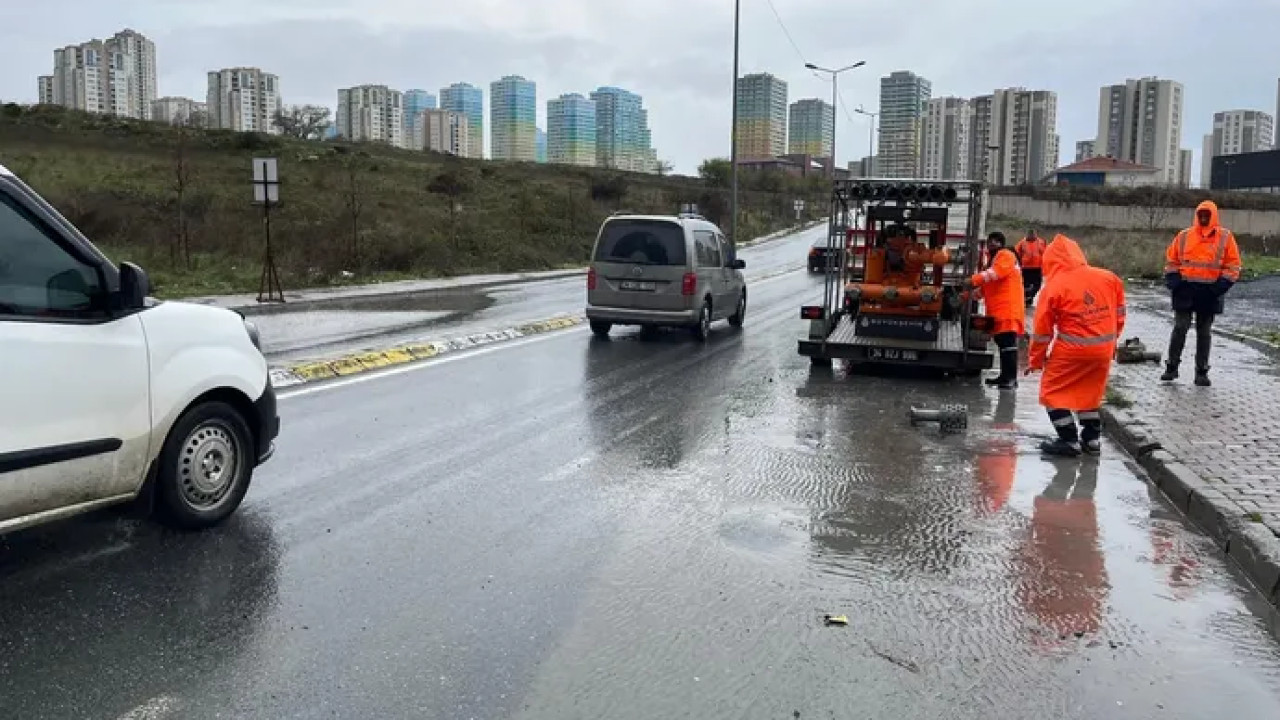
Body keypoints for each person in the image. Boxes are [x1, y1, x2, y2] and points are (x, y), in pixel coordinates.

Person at [1026, 235, 1126, 457]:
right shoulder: (1109, 278)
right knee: (1089, 393)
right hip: (1103, 349)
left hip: (1071, 350)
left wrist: (1036, 360)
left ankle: (1068, 440)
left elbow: (1042, 331)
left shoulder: (1054, 286)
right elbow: (1119, 315)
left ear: (1050, 261)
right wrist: (1111, 342)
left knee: (1051, 392)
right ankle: (1092, 440)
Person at [1160, 200, 1242, 387]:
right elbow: (1172, 261)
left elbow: (1233, 266)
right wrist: (1175, 282)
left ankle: (1201, 372)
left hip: (1210, 292)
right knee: (1180, 327)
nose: (1204, 217)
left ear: (1213, 216)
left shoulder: (1225, 237)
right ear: (1197, 215)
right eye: (1201, 214)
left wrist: (1218, 288)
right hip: (1185, 290)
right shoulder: (1184, 236)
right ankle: (1171, 367)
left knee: (1204, 332)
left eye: (1207, 214)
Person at [965, 231, 1025, 389]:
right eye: (990, 240)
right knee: (1003, 343)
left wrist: (973, 280)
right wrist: (965, 296)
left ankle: (1010, 379)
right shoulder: (993, 262)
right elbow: (985, 289)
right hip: (999, 311)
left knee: (1008, 344)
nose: (992, 243)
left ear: (1002, 244)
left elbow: (995, 274)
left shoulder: (1005, 256)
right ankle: (1005, 377)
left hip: (1008, 309)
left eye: (996, 241)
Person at [1015, 229, 1047, 305]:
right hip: (1025, 268)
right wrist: (1018, 264)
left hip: (1037, 268)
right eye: (1030, 234)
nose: (1032, 236)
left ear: (1036, 234)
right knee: (1025, 285)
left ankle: (1030, 296)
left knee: (1037, 286)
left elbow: (1046, 253)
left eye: (1033, 234)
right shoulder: (1022, 243)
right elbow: (1016, 253)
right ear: (1027, 234)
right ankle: (1026, 299)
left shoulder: (1042, 242)